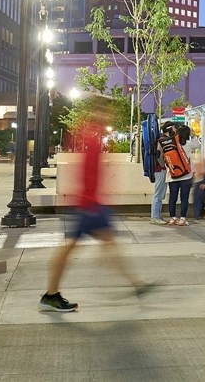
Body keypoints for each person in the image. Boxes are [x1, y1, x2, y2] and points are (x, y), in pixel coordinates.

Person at [39, 96, 153, 312]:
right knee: (74, 247)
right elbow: (86, 174)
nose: (109, 115)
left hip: (92, 204)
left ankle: (136, 284)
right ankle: (50, 293)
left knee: (108, 245)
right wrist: (91, 203)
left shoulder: (93, 136)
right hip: (89, 206)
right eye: (106, 110)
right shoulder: (90, 137)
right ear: (98, 112)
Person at [167, 137, 195, 226]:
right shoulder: (190, 143)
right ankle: (182, 219)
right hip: (186, 176)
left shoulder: (172, 143)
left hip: (173, 175)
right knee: (184, 199)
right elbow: (201, 142)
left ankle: (172, 219)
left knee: (172, 198)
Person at [149, 151, 167, 226]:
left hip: (159, 170)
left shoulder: (156, 141)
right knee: (158, 195)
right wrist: (163, 164)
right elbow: (159, 156)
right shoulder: (161, 140)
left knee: (159, 195)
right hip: (160, 170)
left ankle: (157, 216)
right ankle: (155, 217)